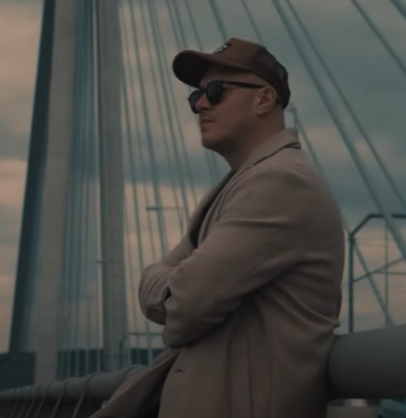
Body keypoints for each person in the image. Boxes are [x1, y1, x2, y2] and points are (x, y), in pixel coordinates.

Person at [92, 37, 344, 418]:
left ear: (264, 99)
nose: (200, 105)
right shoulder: (244, 184)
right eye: (196, 96)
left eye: (215, 91)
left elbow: (184, 306)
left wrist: (171, 291)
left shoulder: (280, 183)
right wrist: (174, 290)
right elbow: (176, 292)